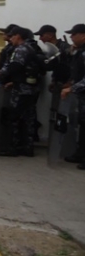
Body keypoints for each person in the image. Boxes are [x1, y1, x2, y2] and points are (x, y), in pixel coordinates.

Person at [0, 27, 39, 157]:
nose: (10, 39)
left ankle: (13, 147)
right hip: (29, 88)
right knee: (28, 119)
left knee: (15, 118)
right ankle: (27, 147)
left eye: (12, 36)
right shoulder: (30, 48)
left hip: (21, 90)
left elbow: (14, 66)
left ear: (18, 36)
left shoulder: (21, 49)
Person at [60, 24, 85, 170]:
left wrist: (71, 88)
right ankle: (80, 154)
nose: (71, 37)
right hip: (82, 96)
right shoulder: (79, 51)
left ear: (83, 35)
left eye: (74, 34)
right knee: (83, 126)